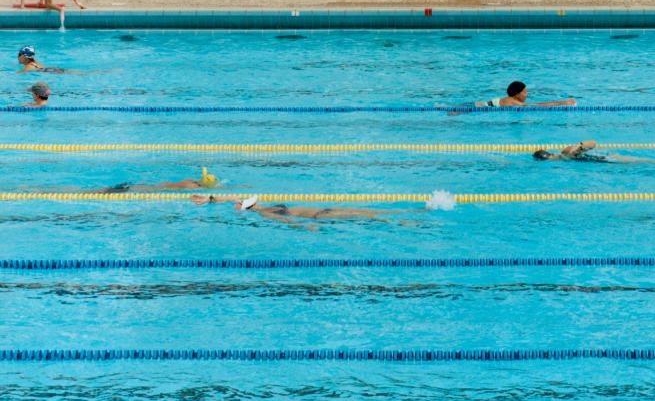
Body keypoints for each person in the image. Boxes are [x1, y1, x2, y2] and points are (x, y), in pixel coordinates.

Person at [189, 194, 414, 228]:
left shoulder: (263, 212)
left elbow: (288, 224)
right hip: (324, 210)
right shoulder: (266, 206)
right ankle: (415, 213)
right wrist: (210, 199)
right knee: (369, 212)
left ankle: (404, 222)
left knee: (370, 216)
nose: (236, 204)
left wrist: (305, 227)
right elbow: (235, 198)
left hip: (321, 216)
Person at [90, 168, 220, 193]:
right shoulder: (193, 187)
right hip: (149, 190)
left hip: (151, 186)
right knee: (106, 192)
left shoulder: (190, 180)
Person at [476, 80, 576, 108]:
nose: (526, 94)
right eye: (525, 92)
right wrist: (561, 103)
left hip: (477, 104)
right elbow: (537, 106)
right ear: (517, 94)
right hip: (474, 107)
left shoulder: (508, 99)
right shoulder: (513, 102)